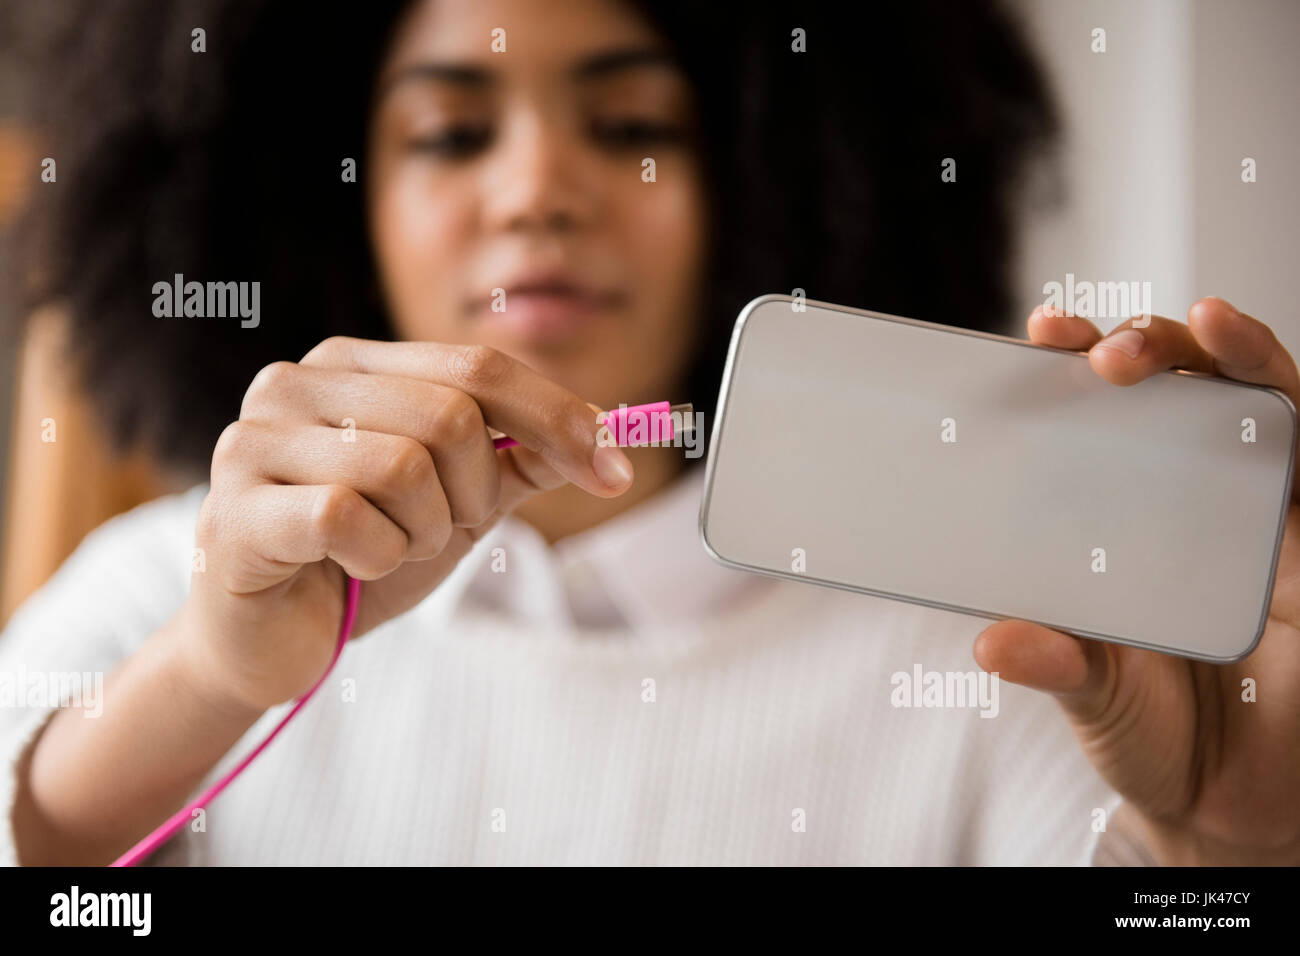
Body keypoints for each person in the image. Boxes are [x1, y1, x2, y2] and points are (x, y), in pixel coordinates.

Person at [3, 0, 1296, 865]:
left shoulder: (1009, 658)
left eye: (630, 129)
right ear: (334, 209)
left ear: (766, 179)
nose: (535, 193)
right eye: (450, 134)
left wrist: (1235, 851)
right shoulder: (158, 597)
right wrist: (214, 679)